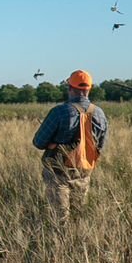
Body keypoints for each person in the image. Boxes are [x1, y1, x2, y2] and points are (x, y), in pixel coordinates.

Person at [31, 70, 108, 222]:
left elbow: (38, 142)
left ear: (70, 89)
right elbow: (101, 145)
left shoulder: (59, 112)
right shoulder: (100, 113)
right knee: (79, 216)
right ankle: (78, 243)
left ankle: (61, 243)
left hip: (58, 172)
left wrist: (54, 143)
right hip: (84, 172)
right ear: (89, 89)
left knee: (60, 219)